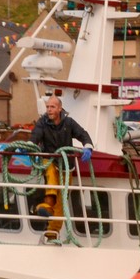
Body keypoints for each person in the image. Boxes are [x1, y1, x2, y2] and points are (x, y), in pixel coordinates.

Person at [29, 95, 93, 241]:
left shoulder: (68, 123)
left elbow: (82, 134)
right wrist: (30, 147)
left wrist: (88, 147)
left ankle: (52, 233)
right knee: (50, 175)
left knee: (62, 200)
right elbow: (35, 136)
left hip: (66, 165)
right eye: (47, 107)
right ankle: (47, 204)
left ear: (59, 108)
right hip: (50, 159)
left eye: (52, 107)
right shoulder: (42, 123)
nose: (49, 110)